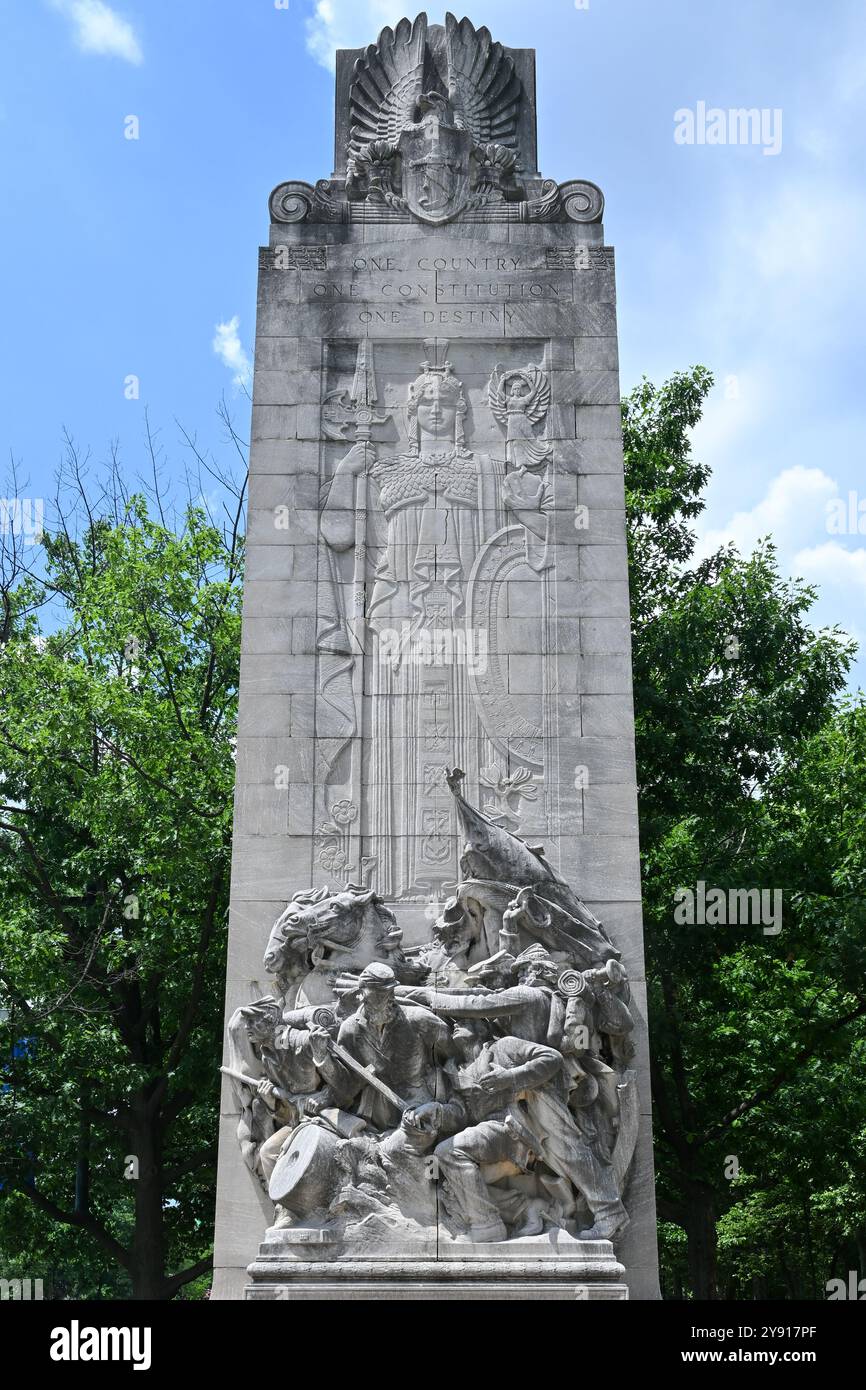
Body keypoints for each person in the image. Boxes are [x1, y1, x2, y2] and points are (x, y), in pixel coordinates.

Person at [307, 962, 452, 1131]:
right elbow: (347, 1086)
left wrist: (450, 1107)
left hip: (419, 1107)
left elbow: (454, 1057)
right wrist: (321, 1057)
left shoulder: (420, 1020)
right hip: (375, 1113)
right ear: (363, 994)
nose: (391, 999)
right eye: (382, 994)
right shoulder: (350, 1030)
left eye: (391, 992)